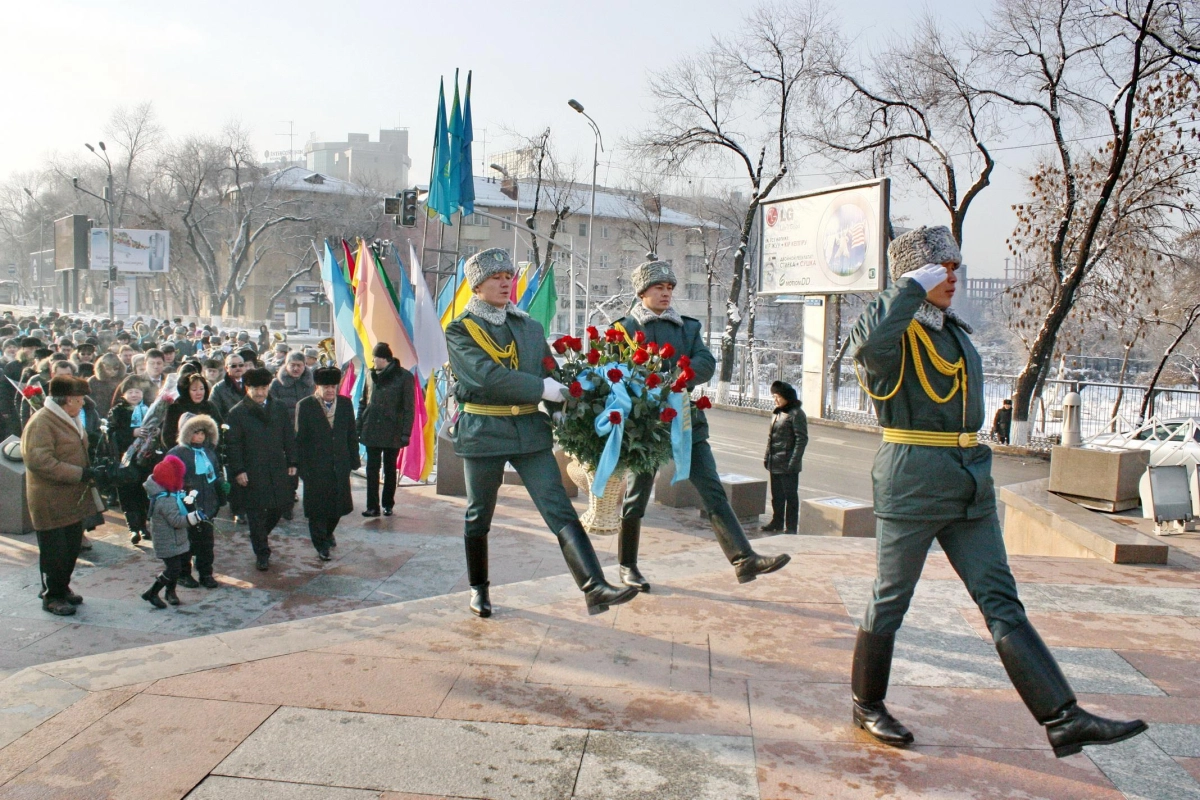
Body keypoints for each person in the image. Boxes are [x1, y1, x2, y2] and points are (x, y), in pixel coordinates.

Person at [847, 225, 1146, 757]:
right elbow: (866, 342)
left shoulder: (951, 331)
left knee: (1001, 600)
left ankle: (1063, 717)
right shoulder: (894, 338)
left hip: (968, 484)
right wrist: (910, 287)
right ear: (916, 276)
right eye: (943, 268)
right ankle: (866, 703)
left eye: (956, 267)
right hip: (913, 481)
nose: (954, 277)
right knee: (890, 600)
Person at [446, 248, 638, 617]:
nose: (505, 283)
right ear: (478, 286)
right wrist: (543, 389)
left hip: (528, 430)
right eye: (495, 278)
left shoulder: (529, 327)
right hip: (484, 428)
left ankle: (593, 586)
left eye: (508, 276)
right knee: (479, 514)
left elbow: (550, 371)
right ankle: (479, 588)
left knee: (558, 507)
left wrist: (574, 406)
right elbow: (486, 377)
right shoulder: (461, 329)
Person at [616, 259, 791, 591]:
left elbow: (705, 362)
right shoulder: (625, 328)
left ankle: (743, 559)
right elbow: (619, 372)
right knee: (637, 495)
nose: (666, 294)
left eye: (670, 288)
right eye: (659, 288)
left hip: (686, 421)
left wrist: (676, 378)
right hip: (645, 426)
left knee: (712, 491)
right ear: (643, 292)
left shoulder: (687, 328)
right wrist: (653, 384)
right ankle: (627, 565)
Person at [22, 376, 104, 616]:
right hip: (51, 500)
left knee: (70, 549)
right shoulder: (41, 423)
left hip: (71, 498)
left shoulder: (69, 418)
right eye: (79, 400)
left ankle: (62, 587)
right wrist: (79, 473)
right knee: (55, 552)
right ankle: (52, 596)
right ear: (67, 400)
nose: (82, 405)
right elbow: (40, 462)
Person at [226, 366, 296, 571]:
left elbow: (288, 436)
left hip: (276, 467)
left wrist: (292, 461)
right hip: (252, 470)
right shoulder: (237, 413)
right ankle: (262, 552)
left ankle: (259, 535)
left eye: (264, 388)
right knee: (255, 512)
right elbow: (233, 445)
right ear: (247, 388)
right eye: (255, 389)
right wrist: (238, 470)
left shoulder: (279, 407)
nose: (260, 393)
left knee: (280, 507)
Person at [295, 366, 359, 560]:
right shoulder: (306, 405)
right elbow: (300, 439)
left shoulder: (345, 404)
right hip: (315, 466)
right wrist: (301, 467)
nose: (330, 390)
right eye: (326, 386)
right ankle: (320, 544)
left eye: (333, 386)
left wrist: (353, 460)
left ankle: (328, 531)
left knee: (338, 506)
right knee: (317, 509)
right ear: (317, 387)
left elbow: (351, 434)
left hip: (339, 464)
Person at [139, 455, 205, 608]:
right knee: (173, 569)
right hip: (169, 541)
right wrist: (195, 517)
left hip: (177, 539)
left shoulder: (168, 494)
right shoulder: (165, 500)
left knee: (177, 567)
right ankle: (152, 592)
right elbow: (176, 521)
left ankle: (170, 592)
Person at [357, 343, 414, 517]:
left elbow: (408, 408)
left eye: (374, 357)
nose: (372, 361)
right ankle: (372, 506)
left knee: (390, 469)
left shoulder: (404, 377)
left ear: (383, 358)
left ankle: (388, 504)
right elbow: (363, 402)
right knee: (371, 469)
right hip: (372, 428)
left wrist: (406, 432)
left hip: (393, 430)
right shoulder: (370, 374)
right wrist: (359, 424)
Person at [167, 415, 222, 589]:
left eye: (203, 433)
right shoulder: (177, 453)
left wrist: (220, 492)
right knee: (186, 542)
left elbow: (216, 473)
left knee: (206, 542)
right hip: (186, 506)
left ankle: (206, 573)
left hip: (207, 505)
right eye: (195, 432)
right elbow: (168, 479)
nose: (199, 436)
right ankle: (184, 573)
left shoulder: (208, 452)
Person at [269, 351, 314, 520]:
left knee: (304, 470)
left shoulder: (310, 384)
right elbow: (272, 410)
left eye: (299, 365)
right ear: (286, 366)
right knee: (288, 471)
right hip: (284, 435)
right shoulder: (276, 385)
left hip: (305, 434)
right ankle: (286, 505)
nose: (296, 369)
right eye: (292, 365)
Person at [762, 380, 807, 534]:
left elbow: (801, 440)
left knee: (790, 497)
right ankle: (777, 521)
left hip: (788, 463)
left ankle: (791, 527)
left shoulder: (796, 414)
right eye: (774, 397)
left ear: (787, 397)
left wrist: (793, 462)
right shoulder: (778, 413)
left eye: (778, 397)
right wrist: (767, 457)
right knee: (777, 496)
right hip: (775, 462)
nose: (775, 400)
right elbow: (771, 438)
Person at [161, 373, 221, 452]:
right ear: (186, 391)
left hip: (208, 454)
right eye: (194, 390)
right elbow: (168, 437)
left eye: (201, 389)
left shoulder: (209, 406)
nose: (199, 393)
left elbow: (220, 429)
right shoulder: (175, 408)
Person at [88, 353, 124, 420]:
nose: (112, 372)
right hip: (98, 415)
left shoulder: (124, 379)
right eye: (108, 369)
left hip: (120, 415)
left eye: (115, 369)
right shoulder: (93, 381)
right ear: (101, 368)